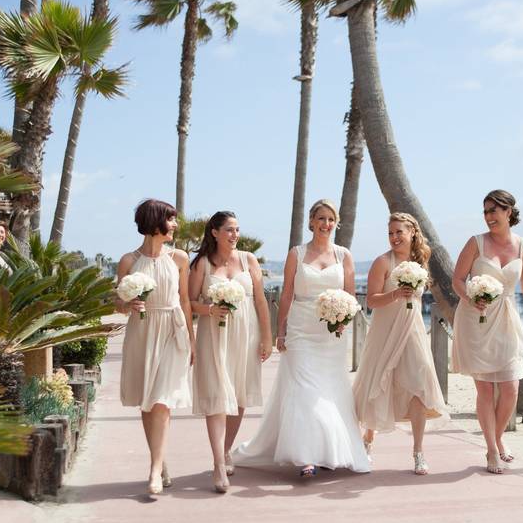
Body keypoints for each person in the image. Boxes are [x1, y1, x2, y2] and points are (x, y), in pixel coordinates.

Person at [233, 199, 370, 476]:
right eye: (321, 219)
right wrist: (280, 331)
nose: (326, 224)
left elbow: (350, 295)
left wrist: (343, 320)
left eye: (331, 220)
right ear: (311, 221)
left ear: (336, 223)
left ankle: (328, 451)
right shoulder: (296, 253)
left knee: (330, 389)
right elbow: (287, 295)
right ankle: (305, 456)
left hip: (332, 332)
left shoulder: (344, 255)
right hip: (300, 329)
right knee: (304, 389)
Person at [451, 190, 523, 474]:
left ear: (509, 211)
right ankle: (491, 450)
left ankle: (498, 437)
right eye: (486, 211)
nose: (489, 216)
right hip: (475, 319)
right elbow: (457, 279)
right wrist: (470, 298)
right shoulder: (475, 243)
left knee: (511, 387)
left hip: (506, 320)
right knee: (485, 389)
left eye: (494, 210)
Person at [352, 213, 449, 475]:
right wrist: (395, 293)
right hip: (385, 331)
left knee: (418, 386)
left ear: (412, 234)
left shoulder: (420, 262)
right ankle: (367, 442)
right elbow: (371, 301)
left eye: (399, 232)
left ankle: (418, 452)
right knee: (377, 383)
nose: (395, 237)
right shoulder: (382, 262)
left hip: (413, 330)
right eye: (391, 233)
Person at [189, 211, 272, 493]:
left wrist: (267, 338)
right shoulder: (202, 264)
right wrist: (210, 309)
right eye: (229, 230)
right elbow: (188, 303)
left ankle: (226, 450)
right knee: (216, 395)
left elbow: (260, 300)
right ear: (214, 232)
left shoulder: (249, 260)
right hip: (213, 335)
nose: (235, 235)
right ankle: (217, 464)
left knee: (238, 395)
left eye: (237, 229)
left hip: (246, 334)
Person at [116, 199, 195, 496]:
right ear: (155, 222)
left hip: (172, 329)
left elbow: (185, 299)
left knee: (162, 401)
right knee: (147, 401)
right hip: (142, 332)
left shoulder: (180, 258)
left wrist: (191, 338)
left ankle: (153, 471)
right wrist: (127, 303)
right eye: (171, 220)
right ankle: (160, 462)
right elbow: (118, 303)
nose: (175, 225)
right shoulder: (128, 260)